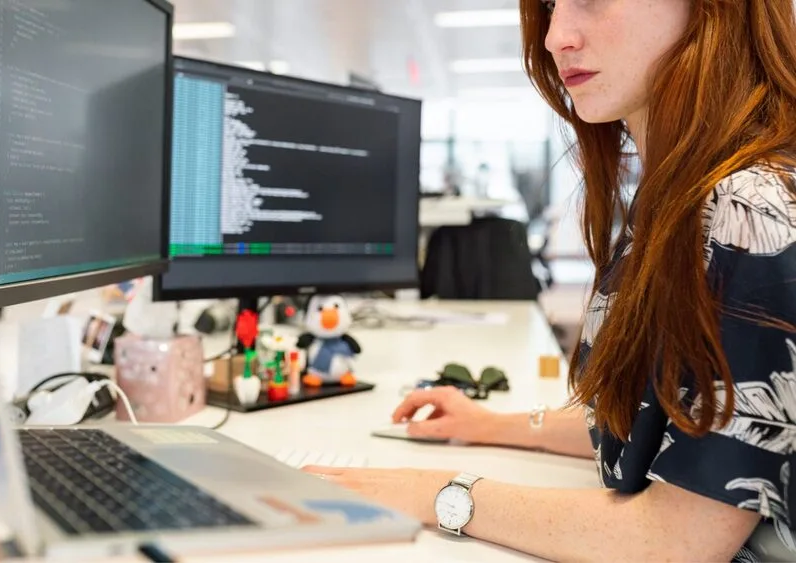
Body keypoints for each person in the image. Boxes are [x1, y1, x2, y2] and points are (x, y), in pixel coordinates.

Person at [304, 0, 796, 560]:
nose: (554, 36)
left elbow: (679, 539)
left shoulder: (752, 208)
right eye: (549, 5)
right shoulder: (677, 199)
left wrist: (438, 492)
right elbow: (658, 419)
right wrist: (491, 425)